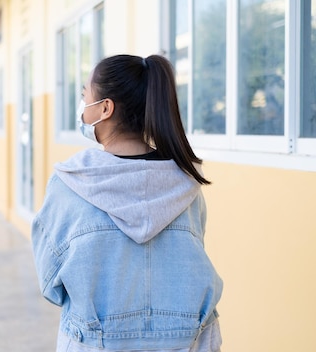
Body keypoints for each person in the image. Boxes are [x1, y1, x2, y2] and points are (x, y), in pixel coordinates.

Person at [31, 54, 223, 352]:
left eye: (85, 96)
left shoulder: (69, 184)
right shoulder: (186, 185)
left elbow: (50, 284)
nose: (82, 108)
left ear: (105, 108)